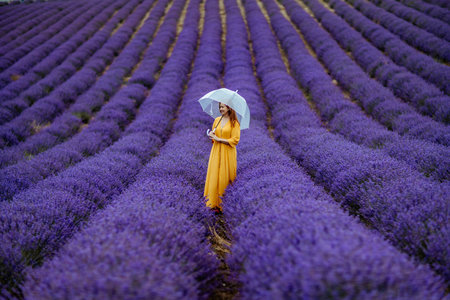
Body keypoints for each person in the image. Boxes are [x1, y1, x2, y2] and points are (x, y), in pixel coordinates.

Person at [204, 102, 240, 213]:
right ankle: (213, 203)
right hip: (216, 151)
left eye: (222, 107)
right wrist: (212, 136)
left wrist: (219, 139)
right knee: (215, 174)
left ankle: (223, 204)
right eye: (219, 107)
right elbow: (214, 139)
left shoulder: (234, 123)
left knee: (225, 175)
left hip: (227, 152)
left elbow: (235, 140)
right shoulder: (217, 120)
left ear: (229, 108)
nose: (220, 109)